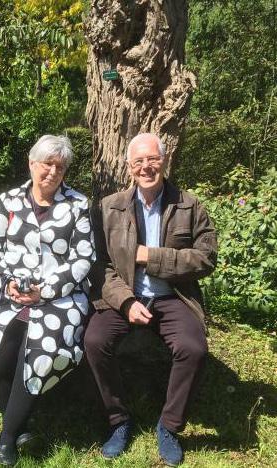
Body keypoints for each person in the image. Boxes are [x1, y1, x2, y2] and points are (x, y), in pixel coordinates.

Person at [0, 135, 95, 466]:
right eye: (47, 164)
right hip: (8, 290)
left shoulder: (78, 204)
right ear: (31, 163)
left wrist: (45, 291)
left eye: (60, 166)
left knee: (39, 347)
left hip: (59, 298)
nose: (53, 172)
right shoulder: (10, 200)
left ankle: (8, 436)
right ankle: (17, 421)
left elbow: (84, 258)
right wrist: (7, 281)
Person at [85, 133, 217, 466]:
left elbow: (206, 257)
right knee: (95, 340)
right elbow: (100, 266)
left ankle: (169, 426)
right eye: (139, 161)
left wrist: (153, 257)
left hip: (173, 297)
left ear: (164, 160)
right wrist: (127, 302)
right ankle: (119, 420)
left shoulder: (190, 205)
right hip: (125, 295)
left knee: (194, 348)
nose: (146, 167)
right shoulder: (108, 207)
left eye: (152, 159)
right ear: (129, 167)